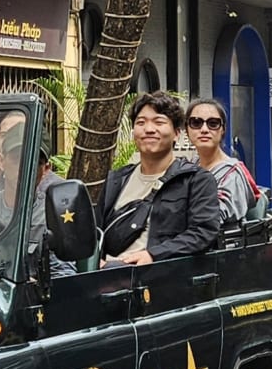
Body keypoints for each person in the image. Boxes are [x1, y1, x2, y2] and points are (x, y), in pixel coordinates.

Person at [97, 92, 223, 265]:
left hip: (163, 279)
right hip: (108, 279)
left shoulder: (196, 180)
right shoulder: (116, 180)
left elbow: (203, 232)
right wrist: (97, 261)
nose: (149, 129)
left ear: (177, 133)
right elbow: (95, 233)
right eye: (141, 122)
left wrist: (153, 255)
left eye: (159, 122)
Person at [185, 99, 263, 225]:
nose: (204, 129)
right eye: (196, 123)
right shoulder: (189, 167)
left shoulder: (232, 174)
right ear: (186, 129)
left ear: (223, 130)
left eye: (213, 123)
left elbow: (212, 216)